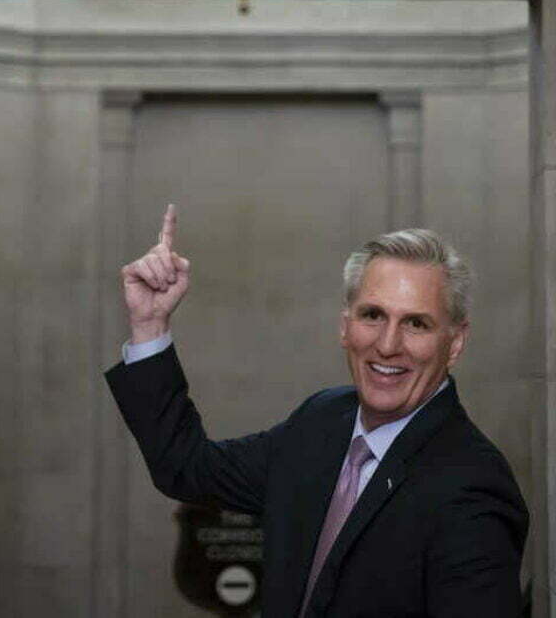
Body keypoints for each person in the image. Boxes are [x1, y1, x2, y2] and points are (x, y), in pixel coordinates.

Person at [105, 204, 529, 617]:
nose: (387, 344)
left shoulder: (473, 485)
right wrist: (150, 325)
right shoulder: (321, 421)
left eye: (416, 323)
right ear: (345, 326)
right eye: (373, 315)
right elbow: (186, 467)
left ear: (454, 342)